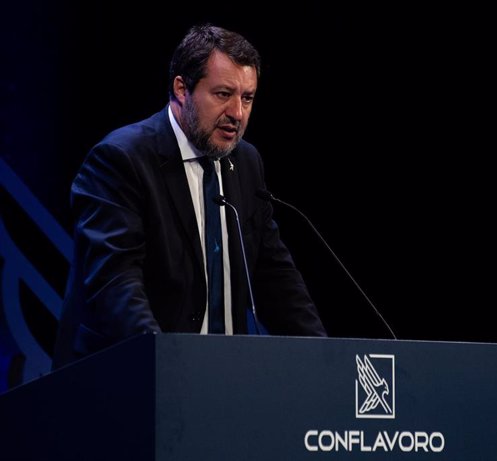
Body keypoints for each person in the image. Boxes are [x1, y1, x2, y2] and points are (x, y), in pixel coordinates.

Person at [52, 23, 327, 369]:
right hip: (130, 378)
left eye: (247, 98)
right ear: (181, 88)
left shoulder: (246, 162)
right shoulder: (122, 160)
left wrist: (325, 361)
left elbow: (276, 277)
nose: (237, 114)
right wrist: (167, 368)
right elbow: (116, 284)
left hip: (224, 380)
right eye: (223, 94)